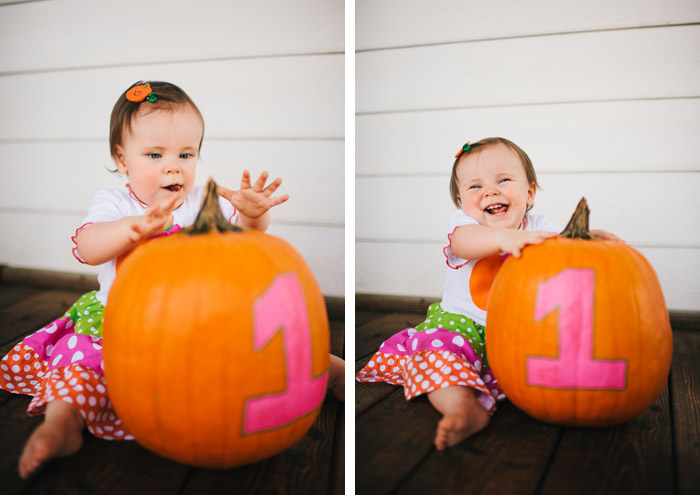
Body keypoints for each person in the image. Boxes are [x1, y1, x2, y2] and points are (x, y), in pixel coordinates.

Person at [0, 81, 345, 479]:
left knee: (262, 356)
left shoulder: (200, 201)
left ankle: (327, 371)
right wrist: (133, 229)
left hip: (203, 324)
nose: (173, 166)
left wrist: (253, 215)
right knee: (80, 366)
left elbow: (246, 245)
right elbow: (89, 246)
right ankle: (62, 424)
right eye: (154, 154)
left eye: (186, 153)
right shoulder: (116, 204)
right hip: (122, 327)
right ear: (122, 158)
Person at [356, 137, 619, 451]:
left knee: (553, 355)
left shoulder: (538, 226)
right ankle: (462, 407)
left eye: (503, 180)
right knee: (436, 356)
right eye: (475, 186)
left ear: (530, 192)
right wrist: (504, 238)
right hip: (460, 329)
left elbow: (566, 246)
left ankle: (545, 395)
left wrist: (589, 237)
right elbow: (463, 244)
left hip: (516, 335)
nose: (491, 192)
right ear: (461, 199)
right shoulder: (466, 225)